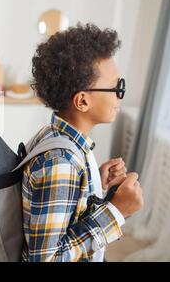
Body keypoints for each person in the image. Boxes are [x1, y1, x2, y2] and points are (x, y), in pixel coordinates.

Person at [21, 23, 144, 262]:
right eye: (116, 87)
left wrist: (92, 185)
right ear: (83, 101)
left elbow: (65, 217)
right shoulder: (61, 163)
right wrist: (116, 211)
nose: (120, 95)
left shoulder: (56, 137)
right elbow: (47, 259)